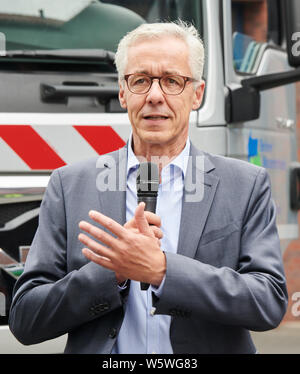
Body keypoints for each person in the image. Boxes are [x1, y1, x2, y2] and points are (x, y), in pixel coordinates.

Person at [9, 21, 288, 354]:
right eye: (140, 80)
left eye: (172, 81)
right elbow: (26, 317)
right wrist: (110, 273)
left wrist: (164, 271)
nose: (155, 96)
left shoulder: (245, 185)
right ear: (123, 93)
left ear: (196, 94)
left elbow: (269, 301)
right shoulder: (69, 185)